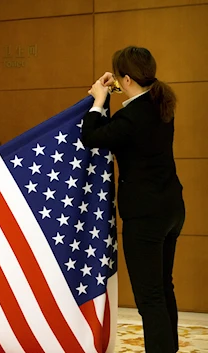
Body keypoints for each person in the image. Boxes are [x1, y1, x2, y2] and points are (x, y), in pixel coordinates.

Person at [82, 46, 185, 353]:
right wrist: (113, 93)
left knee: (149, 297)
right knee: (164, 288)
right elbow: (118, 130)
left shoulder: (131, 116)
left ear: (126, 79)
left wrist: (99, 100)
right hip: (172, 209)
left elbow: (92, 137)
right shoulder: (160, 104)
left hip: (145, 217)